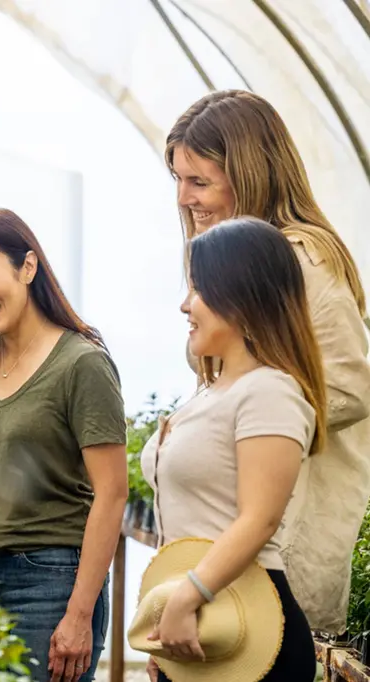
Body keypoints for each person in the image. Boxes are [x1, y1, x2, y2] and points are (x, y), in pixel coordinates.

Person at [166, 89, 370, 634]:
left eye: (200, 181)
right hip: (228, 544)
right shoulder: (229, 258)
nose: (185, 197)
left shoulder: (304, 260)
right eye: (179, 181)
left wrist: (255, 413)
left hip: (280, 536)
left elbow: (349, 388)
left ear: (250, 174)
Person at [0, 208, 128, 682]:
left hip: (49, 581)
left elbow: (113, 493)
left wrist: (80, 614)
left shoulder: (81, 364)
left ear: (27, 267)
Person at [139, 217, 322, 681]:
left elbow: (258, 518)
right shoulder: (210, 392)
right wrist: (167, 615)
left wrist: (185, 597)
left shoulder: (270, 392)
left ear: (241, 297)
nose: (184, 305)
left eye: (197, 289)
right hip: (200, 621)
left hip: (246, 625)